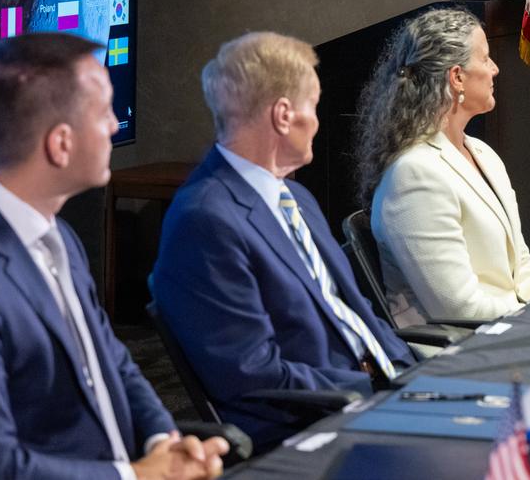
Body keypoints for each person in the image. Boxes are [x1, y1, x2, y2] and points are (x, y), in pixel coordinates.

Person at [0, 33, 227, 480]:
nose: (117, 125)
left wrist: (165, 443)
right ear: (60, 144)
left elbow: (110, 360)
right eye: (104, 113)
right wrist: (139, 476)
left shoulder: (58, 233)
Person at [151, 32, 414, 451]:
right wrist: (376, 387)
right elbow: (252, 374)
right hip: (308, 429)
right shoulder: (205, 220)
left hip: (369, 398)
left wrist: (408, 374)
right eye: (313, 106)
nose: (318, 121)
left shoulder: (296, 197)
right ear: (284, 116)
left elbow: (357, 313)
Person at [355, 7, 530, 326]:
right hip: (458, 350)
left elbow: (521, 265)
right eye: (485, 58)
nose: (494, 69)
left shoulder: (481, 153)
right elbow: (457, 307)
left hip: (509, 327)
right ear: (457, 77)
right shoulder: (413, 172)